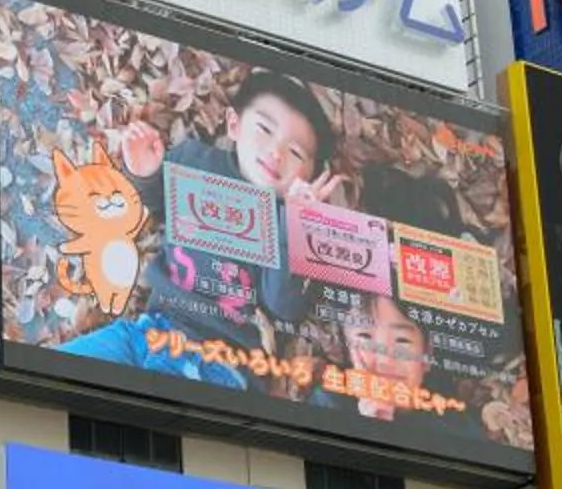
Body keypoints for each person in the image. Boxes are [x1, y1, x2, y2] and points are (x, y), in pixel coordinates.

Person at [54, 73, 345, 390]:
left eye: (296, 153)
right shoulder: (194, 162)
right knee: (54, 376)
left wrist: (295, 228)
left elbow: (282, 307)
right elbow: (155, 205)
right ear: (234, 124)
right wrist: (146, 172)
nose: (276, 153)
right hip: (146, 332)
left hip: (218, 362)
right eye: (264, 129)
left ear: (309, 175)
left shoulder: (283, 221)